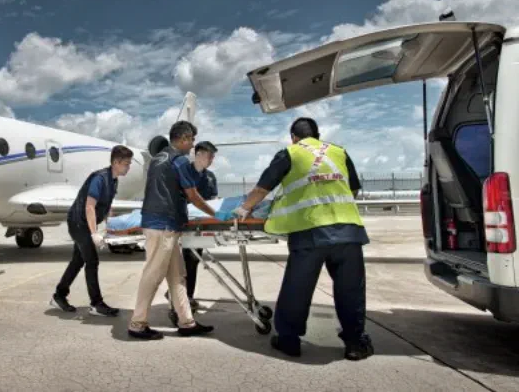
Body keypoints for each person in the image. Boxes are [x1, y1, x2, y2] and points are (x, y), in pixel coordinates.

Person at [220, 117, 374, 361]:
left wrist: (243, 209)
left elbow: (262, 189)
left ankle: (289, 341)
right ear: (317, 135)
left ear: (294, 137)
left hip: (310, 231)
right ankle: (355, 343)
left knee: (297, 289)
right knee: (350, 290)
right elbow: (353, 189)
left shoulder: (289, 153)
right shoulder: (339, 152)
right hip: (348, 231)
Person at [127, 121, 217, 340]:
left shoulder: (159, 158)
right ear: (184, 138)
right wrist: (216, 214)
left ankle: (187, 322)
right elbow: (193, 195)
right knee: (153, 275)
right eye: (192, 140)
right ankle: (137, 324)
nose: (193, 144)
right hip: (163, 225)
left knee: (178, 277)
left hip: (161, 223)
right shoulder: (179, 161)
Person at [51, 145, 134, 317]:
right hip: (78, 223)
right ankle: (96, 304)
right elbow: (90, 206)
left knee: (78, 261)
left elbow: (105, 206)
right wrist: (94, 232)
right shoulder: (99, 178)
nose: (129, 167)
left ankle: (59, 295)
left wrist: (106, 227)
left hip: (85, 223)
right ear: (116, 162)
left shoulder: (113, 180)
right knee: (92, 261)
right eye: (126, 163)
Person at [164, 140, 218, 313]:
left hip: (202, 226)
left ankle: (187, 297)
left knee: (194, 260)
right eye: (210, 156)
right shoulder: (184, 172)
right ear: (199, 154)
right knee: (184, 262)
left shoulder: (210, 177)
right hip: (183, 224)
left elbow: (213, 202)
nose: (212, 160)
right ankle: (181, 298)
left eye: (213, 157)